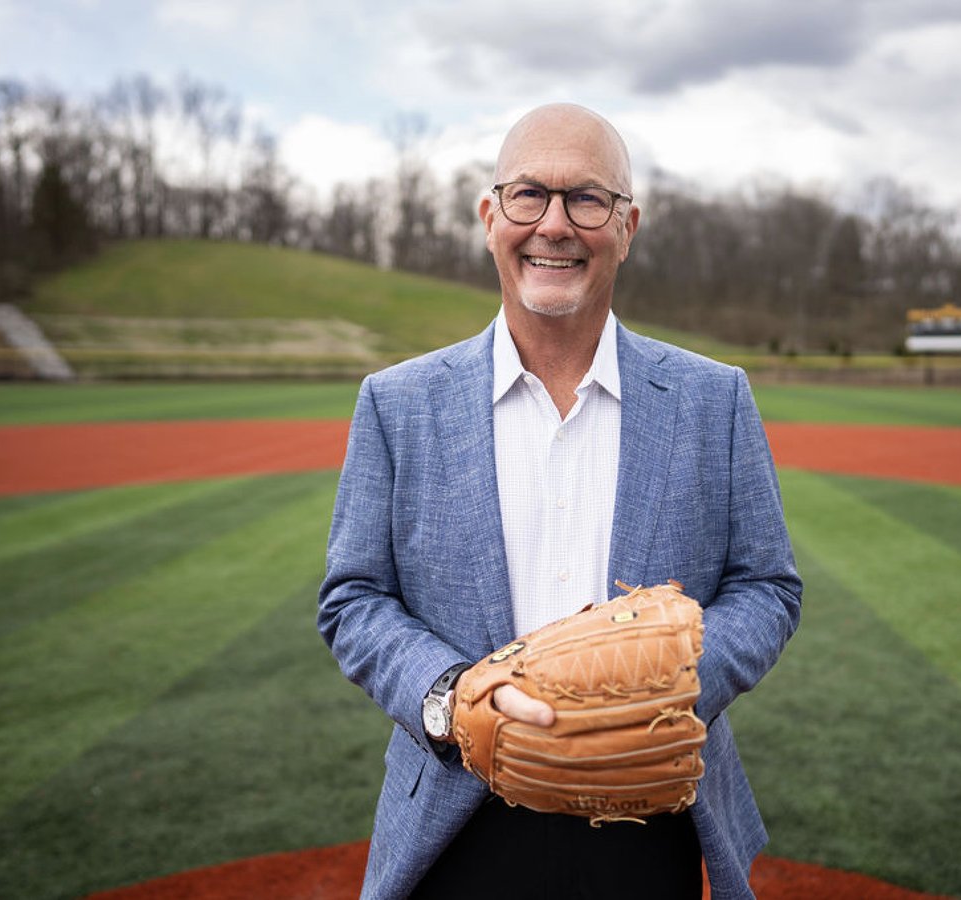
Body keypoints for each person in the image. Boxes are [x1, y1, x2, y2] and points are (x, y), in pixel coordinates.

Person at [318, 103, 802, 900]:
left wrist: (665, 688)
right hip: (456, 822)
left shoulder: (714, 399)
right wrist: (453, 703)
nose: (554, 224)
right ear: (489, 217)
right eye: (528, 196)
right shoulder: (395, 403)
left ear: (627, 224)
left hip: (651, 821)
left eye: (587, 198)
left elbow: (768, 586)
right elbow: (354, 598)